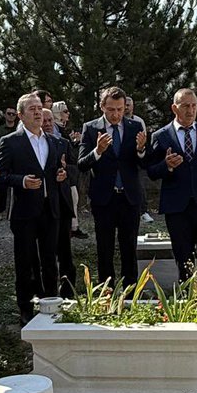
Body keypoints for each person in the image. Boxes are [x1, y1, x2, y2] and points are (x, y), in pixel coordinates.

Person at [0, 92, 67, 325]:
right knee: (25, 261)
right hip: (25, 211)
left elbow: (57, 171)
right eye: (32, 109)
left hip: (50, 209)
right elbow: (2, 176)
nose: (38, 112)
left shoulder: (54, 142)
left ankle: (51, 302)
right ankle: (25, 307)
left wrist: (61, 175)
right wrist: (22, 181)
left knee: (50, 259)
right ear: (20, 115)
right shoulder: (10, 142)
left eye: (39, 108)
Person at [146, 87, 197, 281]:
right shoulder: (161, 136)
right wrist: (167, 166)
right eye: (185, 106)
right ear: (175, 108)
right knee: (184, 259)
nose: (190, 111)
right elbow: (151, 171)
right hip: (177, 207)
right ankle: (187, 299)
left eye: (194, 106)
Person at [78, 86, 147, 288]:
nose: (116, 114)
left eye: (120, 109)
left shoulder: (135, 127)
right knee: (104, 249)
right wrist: (98, 151)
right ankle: (106, 293)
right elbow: (82, 163)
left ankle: (131, 294)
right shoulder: (90, 128)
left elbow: (144, 164)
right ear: (102, 107)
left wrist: (141, 150)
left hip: (129, 198)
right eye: (111, 109)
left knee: (129, 248)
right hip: (104, 199)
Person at [43, 107, 77, 293]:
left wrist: (65, 171)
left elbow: (75, 168)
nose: (47, 124)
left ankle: (68, 289)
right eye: (44, 121)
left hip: (62, 205)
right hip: (43, 204)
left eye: (50, 121)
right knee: (46, 253)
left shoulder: (62, 143)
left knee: (65, 250)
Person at [51, 100, 85, 238]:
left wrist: (74, 143)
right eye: (64, 111)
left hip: (69, 171)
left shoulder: (62, 128)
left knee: (73, 198)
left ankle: (73, 227)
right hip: (60, 174)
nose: (68, 114)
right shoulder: (54, 128)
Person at [125, 96, 153, 223]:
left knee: (140, 186)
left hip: (137, 157)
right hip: (123, 158)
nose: (126, 107)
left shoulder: (138, 121)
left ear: (133, 106)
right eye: (124, 104)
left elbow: (143, 139)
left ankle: (143, 211)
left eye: (129, 105)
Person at [0, 106, 18, 219]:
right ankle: (0, 211)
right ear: (5, 115)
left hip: (16, 161)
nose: (11, 116)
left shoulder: (18, 129)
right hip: (3, 161)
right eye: (9, 113)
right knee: (2, 186)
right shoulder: (0, 130)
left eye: (13, 114)